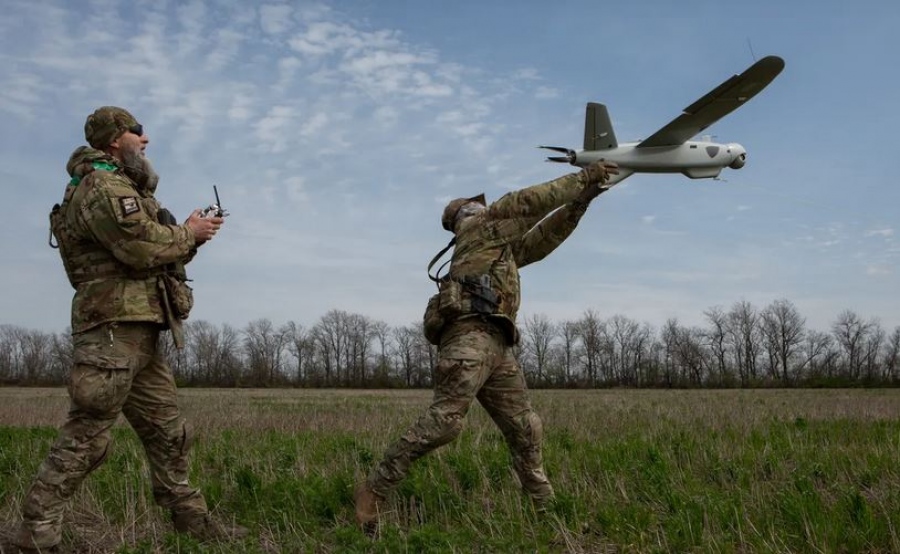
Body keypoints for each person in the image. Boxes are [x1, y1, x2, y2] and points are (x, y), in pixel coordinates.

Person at [11, 107, 246, 552]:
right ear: (116, 138)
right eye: (138, 132)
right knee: (88, 437)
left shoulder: (124, 186)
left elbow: (158, 251)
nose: (147, 139)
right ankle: (35, 534)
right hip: (112, 331)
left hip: (141, 329)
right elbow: (138, 248)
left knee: (168, 432)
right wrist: (187, 233)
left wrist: (190, 235)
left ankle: (189, 517)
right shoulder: (101, 185)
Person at [355, 159, 620, 533]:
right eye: (477, 205)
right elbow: (529, 202)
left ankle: (547, 513)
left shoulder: (497, 246)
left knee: (525, 429)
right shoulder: (482, 229)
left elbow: (544, 237)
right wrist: (584, 177)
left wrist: (582, 201)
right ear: (466, 215)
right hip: (469, 338)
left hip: (497, 343)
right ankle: (375, 490)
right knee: (444, 423)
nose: (485, 205)